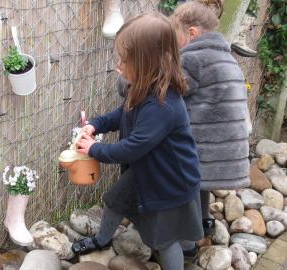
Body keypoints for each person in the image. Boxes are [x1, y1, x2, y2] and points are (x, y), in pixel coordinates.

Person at [72, 12, 203, 270]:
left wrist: (94, 149)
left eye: (124, 60)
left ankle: (186, 254)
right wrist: (95, 124)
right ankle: (102, 239)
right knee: (115, 199)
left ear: (147, 62)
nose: (118, 66)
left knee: (164, 239)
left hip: (168, 180)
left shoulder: (163, 105)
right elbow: (123, 113)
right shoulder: (143, 86)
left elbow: (132, 149)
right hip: (148, 167)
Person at [169, 0, 251, 255]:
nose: (174, 45)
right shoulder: (225, 54)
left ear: (191, 33)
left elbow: (170, 88)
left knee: (187, 178)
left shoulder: (194, 57)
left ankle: (188, 242)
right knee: (200, 179)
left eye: (175, 37)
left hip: (211, 146)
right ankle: (204, 222)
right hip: (227, 148)